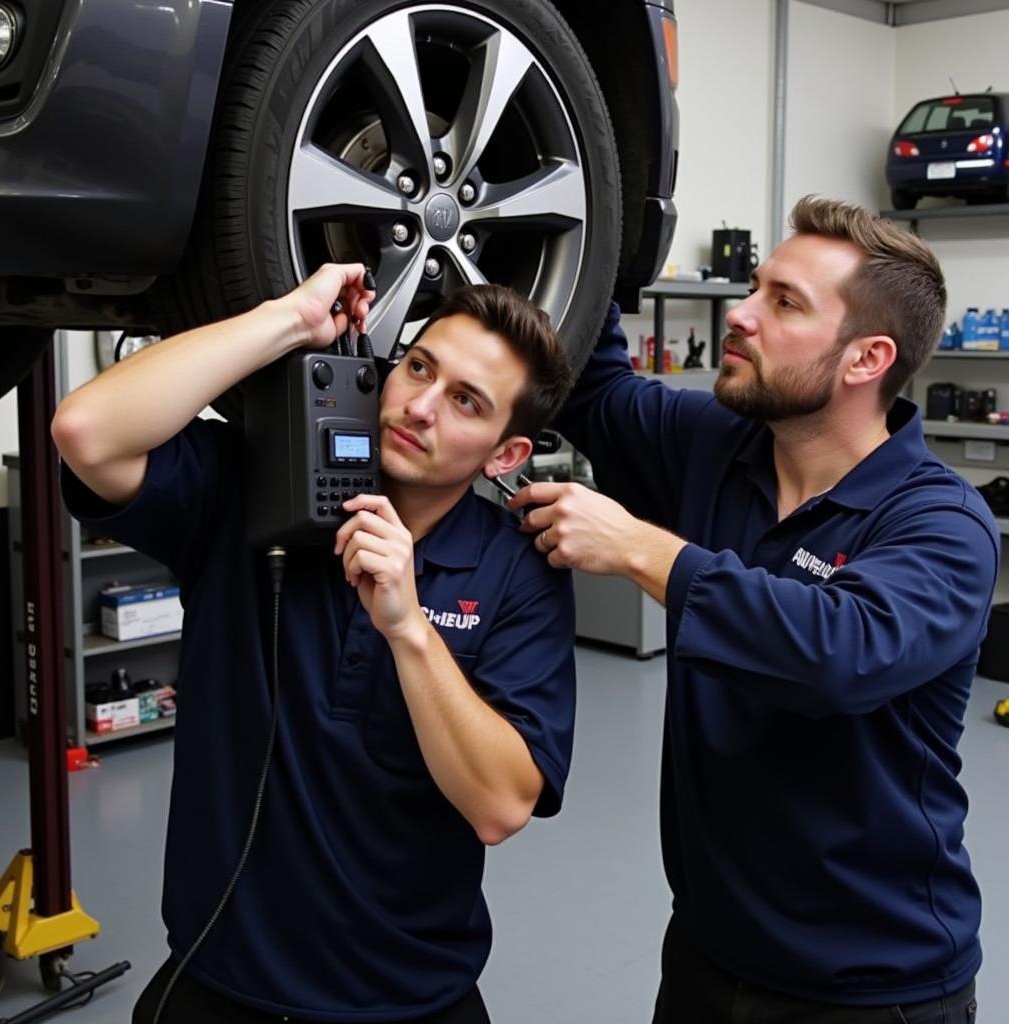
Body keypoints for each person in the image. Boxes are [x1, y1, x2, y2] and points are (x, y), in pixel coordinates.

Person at [510, 196, 996, 1023]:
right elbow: (589, 381)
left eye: (783, 302)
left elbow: (840, 654)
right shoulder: (719, 442)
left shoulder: (942, 525)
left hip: (874, 991)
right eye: (754, 287)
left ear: (865, 358)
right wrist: (581, 211)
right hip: (705, 954)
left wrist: (640, 548)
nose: (740, 315)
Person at [51, 266, 577, 1024]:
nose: (420, 408)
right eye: (419, 367)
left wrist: (408, 628)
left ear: (505, 454)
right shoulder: (255, 482)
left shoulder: (518, 571)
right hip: (218, 980)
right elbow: (85, 431)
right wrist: (290, 321)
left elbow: (499, 804)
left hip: (408, 997)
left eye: (465, 402)